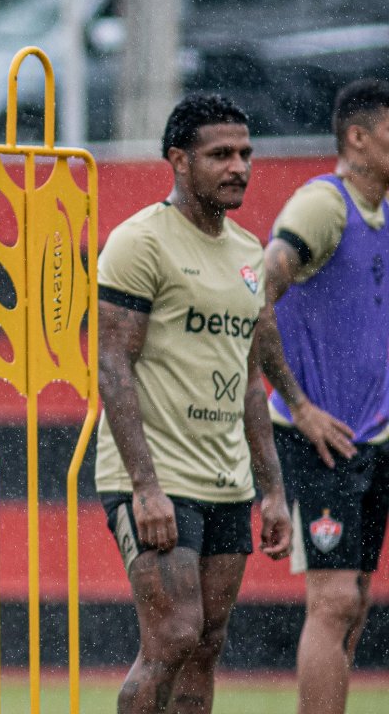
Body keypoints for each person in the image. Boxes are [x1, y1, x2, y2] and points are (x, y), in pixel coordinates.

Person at [95, 93, 292, 714]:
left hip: (226, 480)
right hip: (157, 476)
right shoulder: (140, 242)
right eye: (220, 155)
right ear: (179, 160)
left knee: (206, 643)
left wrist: (274, 490)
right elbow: (111, 363)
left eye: (245, 154)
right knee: (172, 635)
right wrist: (144, 486)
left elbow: (251, 379)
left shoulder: (246, 252)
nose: (239, 167)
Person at [257, 78, 389, 714]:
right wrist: (300, 405)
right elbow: (256, 293)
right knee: (333, 600)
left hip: (372, 436)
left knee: (357, 597)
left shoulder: (382, 211)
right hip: (320, 436)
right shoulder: (322, 207)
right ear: (357, 138)